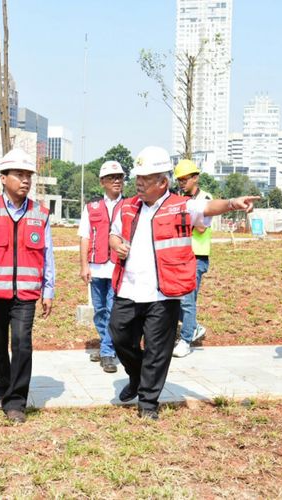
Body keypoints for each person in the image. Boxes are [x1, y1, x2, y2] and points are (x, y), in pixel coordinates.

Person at [108, 146, 259, 420]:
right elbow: (113, 234)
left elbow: (207, 207)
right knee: (119, 336)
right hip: (128, 288)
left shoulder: (181, 206)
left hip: (163, 292)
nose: (139, 184)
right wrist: (116, 244)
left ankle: (148, 403)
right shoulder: (128, 206)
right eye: (138, 178)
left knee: (157, 349)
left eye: (146, 179)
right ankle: (136, 375)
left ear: (162, 182)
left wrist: (233, 203)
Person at [0, 148, 55, 423]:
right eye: (19, 174)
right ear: (3, 178)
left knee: (21, 344)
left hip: (26, 294)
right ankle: (2, 386)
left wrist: (48, 289)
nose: (25, 180)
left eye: (28, 175)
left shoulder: (40, 214)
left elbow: (47, 254)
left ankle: (16, 401)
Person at [78, 160, 125, 373]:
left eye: (120, 177)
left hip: (118, 267)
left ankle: (107, 351)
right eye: (111, 177)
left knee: (112, 310)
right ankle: (108, 345)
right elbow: (85, 237)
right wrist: (84, 265)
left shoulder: (130, 205)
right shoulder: (92, 207)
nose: (117, 181)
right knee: (99, 311)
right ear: (102, 181)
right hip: (96, 267)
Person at [172, 159, 214, 358]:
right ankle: (193, 327)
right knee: (176, 300)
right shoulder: (178, 199)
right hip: (180, 255)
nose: (181, 183)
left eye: (185, 179)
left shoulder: (205, 198)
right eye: (179, 180)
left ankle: (186, 339)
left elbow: (201, 226)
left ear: (195, 178)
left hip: (197, 256)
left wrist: (186, 212)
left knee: (187, 301)